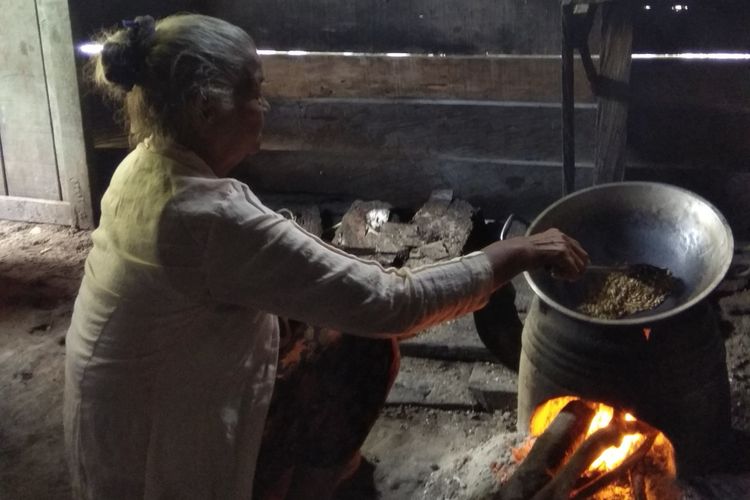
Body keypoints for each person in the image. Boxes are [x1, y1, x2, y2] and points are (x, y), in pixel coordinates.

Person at [64, 13, 589, 500]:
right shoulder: (208, 216)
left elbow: (270, 279)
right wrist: (516, 252)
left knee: (321, 326)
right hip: (161, 467)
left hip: (122, 435)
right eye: (255, 89)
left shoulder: (145, 167)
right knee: (365, 346)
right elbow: (394, 303)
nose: (265, 106)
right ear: (208, 106)